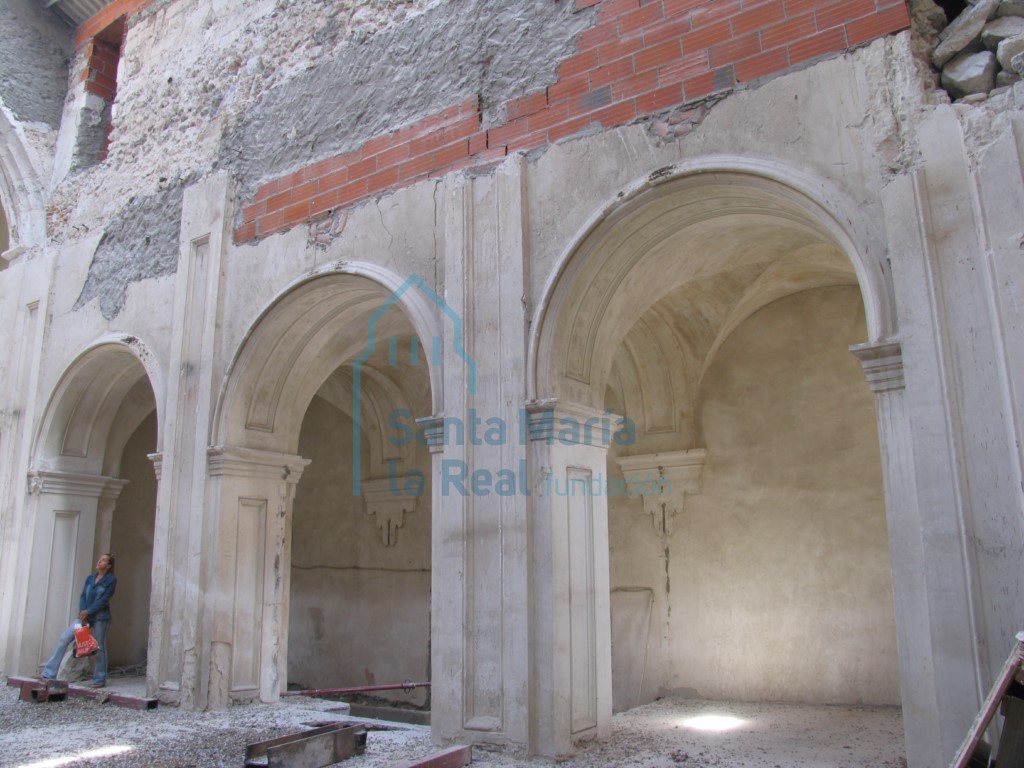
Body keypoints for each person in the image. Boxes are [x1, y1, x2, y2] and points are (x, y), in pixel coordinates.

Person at [39, 553, 117, 688]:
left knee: (99, 647)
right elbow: (83, 596)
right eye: (100, 559)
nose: (99, 561)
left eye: (104, 560)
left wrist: (89, 611)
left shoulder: (111, 580)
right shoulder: (90, 578)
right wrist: (82, 612)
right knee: (64, 639)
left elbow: (104, 599)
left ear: (108, 566)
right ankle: (48, 673)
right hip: (83, 616)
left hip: (100, 617)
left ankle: (99, 679)